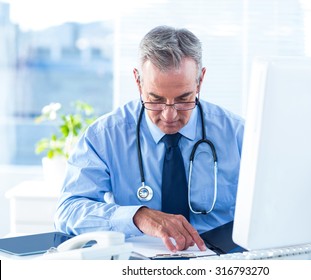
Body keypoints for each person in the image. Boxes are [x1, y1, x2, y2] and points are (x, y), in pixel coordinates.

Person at [54, 25, 244, 253]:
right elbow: (67, 211)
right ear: (138, 81)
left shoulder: (238, 134)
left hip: (222, 261)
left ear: (200, 81)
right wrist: (137, 217)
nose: (169, 115)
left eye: (184, 99)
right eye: (155, 100)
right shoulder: (105, 136)